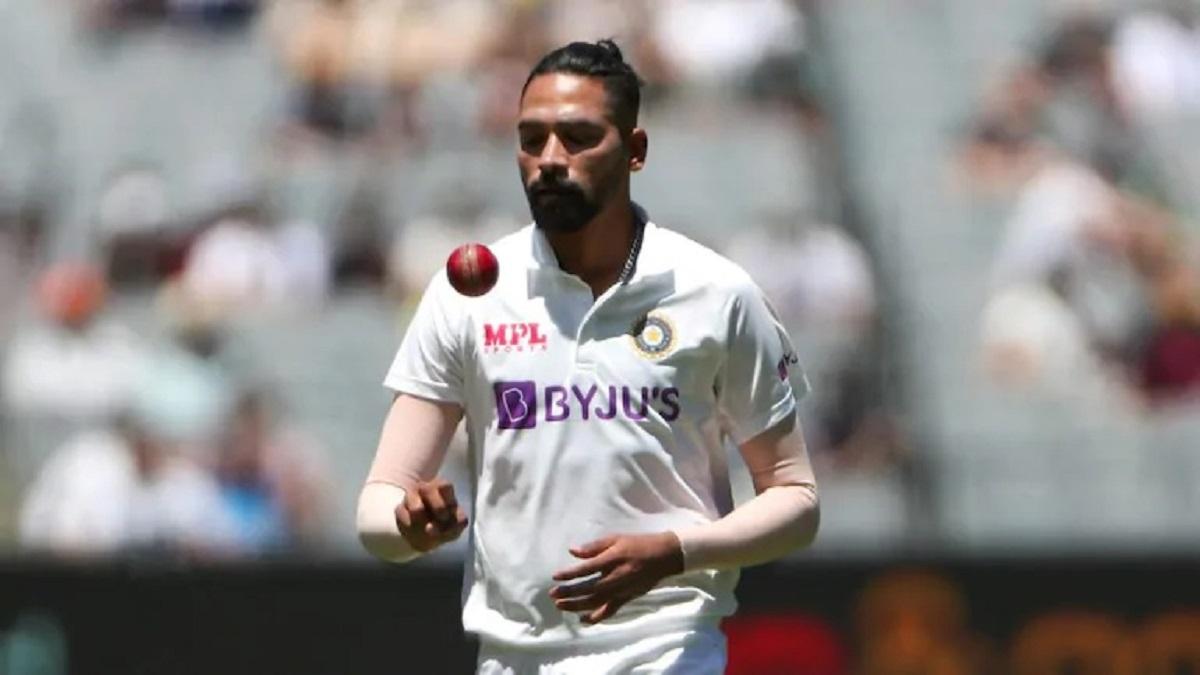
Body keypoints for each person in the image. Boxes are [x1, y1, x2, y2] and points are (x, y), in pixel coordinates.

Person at [356, 40, 820, 673]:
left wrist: (674, 551)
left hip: (668, 652)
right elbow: (378, 507)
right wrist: (409, 527)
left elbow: (795, 501)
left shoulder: (715, 292)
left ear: (635, 151)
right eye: (531, 138)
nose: (549, 159)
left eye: (578, 138)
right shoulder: (470, 291)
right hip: (511, 659)